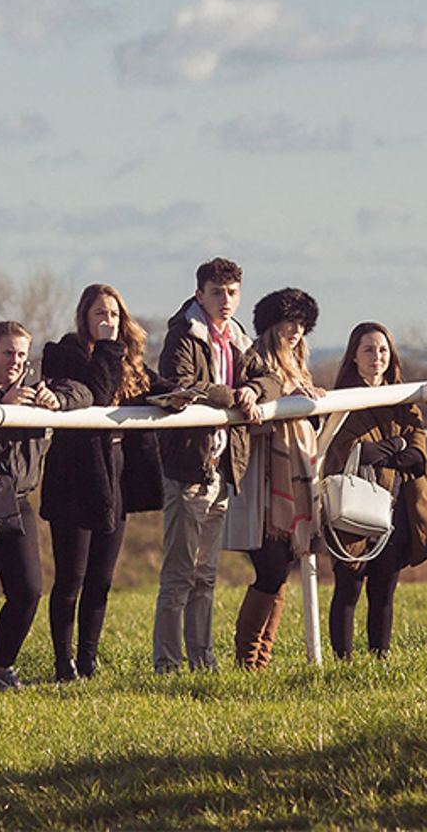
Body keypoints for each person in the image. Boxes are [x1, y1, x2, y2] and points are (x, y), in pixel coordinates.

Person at [0, 320, 90, 690]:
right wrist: (1, 410)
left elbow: (84, 394)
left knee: (28, 591)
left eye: (22, 354)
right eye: (8, 352)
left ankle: (1, 668)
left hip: (18, 499)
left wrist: (56, 400)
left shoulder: (35, 385)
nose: (15, 360)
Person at [153, 258, 281, 674]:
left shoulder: (239, 338)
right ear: (199, 294)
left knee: (205, 574)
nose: (226, 301)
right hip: (189, 467)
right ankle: (168, 664)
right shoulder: (183, 334)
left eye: (232, 293)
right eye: (217, 292)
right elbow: (181, 384)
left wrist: (253, 390)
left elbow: (272, 380)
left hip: (224, 468)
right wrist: (234, 396)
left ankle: (202, 659)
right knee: (178, 575)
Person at [40, 284, 166, 682]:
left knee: (102, 578)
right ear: (84, 316)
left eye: (113, 314)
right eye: (100, 314)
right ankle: (63, 665)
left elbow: (158, 387)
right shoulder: (64, 354)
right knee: (71, 578)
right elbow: (96, 392)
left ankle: (89, 662)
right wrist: (110, 348)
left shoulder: (130, 361)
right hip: (74, 477)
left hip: (115, 475)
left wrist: (203, 396)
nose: (108, 321)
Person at [323, 322, 427, 661]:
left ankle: (380, 660)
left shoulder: (406, 401)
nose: (376, 356)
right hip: (353, 507)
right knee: (348, 589)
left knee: (384, 592)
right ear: (354, 357)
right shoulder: (342, 401)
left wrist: (388, 450)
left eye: (382, 350)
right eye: (368, 349)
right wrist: (397, 446)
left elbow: (417, 458)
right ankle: (342, 664)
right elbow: (353, 452)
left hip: (398, 508)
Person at [228, 287, 324, 671]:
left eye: (301, 324)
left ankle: (259, 661)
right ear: (272, 325)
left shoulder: (300, 366)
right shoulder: (255, 361)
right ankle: (247, 660)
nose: (296, 331)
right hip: (262, 484)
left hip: (293, 481)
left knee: (280, 570)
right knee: (269, 570)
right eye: (289, 322)